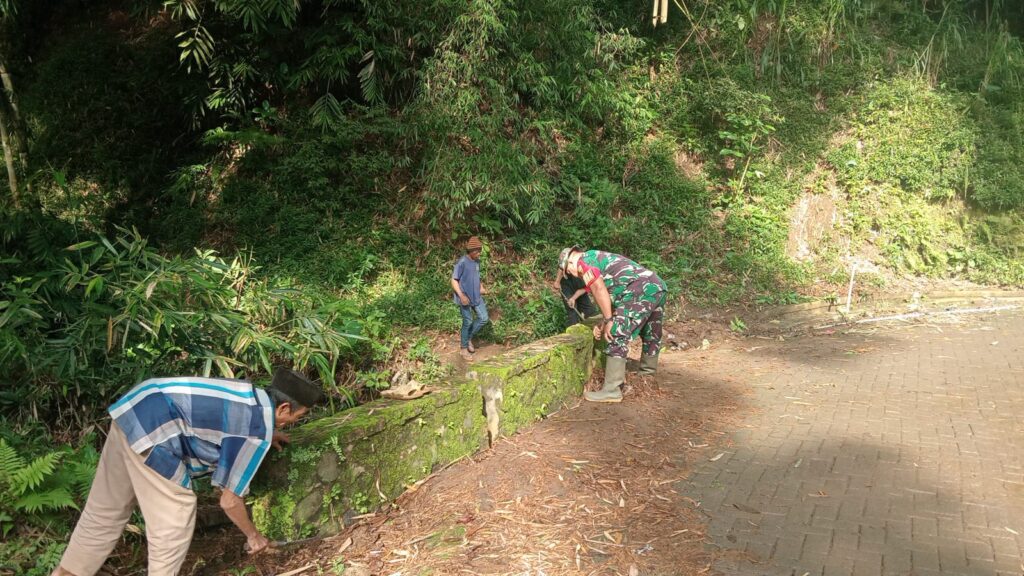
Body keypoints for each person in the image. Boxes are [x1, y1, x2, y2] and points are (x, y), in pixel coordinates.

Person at [51, 368, 322, 576]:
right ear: (284, 407)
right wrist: (255, 537)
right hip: (155, 426)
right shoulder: (254, 430)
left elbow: (224, 424)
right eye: (297, 417)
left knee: (105, 509)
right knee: (175, 514)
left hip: (136, 408)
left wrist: (268, 432)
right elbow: (229, 500)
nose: (293, 423)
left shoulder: (248, 395)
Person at [558, 246, 667, 403]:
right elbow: (616, 298)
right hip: (656, 286)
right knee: (651, 332)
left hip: (639, 289)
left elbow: (598, 288)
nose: (572, 275)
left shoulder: (583, 262)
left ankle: (612, 390)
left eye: (568, 272)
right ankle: (647, 377)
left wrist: (609, 321)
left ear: (570, 262)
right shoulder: (598, 259)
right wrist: (604, 321)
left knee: (616, 331)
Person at [451, 236, 489, 360]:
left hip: (476, 296)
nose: (479, 253)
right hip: (465, 297)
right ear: (471, 251)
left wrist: (481, 287)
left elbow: (477, 276)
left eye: (480, 251)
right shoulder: (462, 262)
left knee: (483, 318)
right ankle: (463, 349)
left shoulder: (477, 261)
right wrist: (461, 295)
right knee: (467, 321)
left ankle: (468, 338)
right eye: (477, 251)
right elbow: (454, 280)